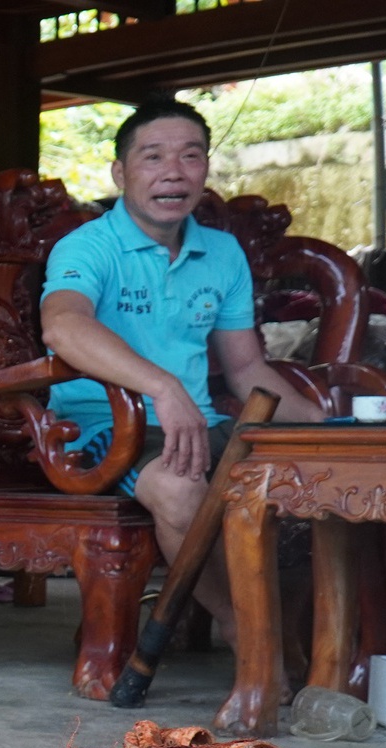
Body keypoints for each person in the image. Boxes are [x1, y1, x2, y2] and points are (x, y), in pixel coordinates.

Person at [40, 95, 324, 641]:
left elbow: (246, 369)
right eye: (153, 157)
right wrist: (162, 387)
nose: (174, 172)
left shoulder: (221, 253)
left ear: (206, 168)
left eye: (190, 156)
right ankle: (253, 644)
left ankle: (323, 640)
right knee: (178, 489)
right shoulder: (89, 247)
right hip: (104, 428)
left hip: (200, 426)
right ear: (120, 172)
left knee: (325, 483)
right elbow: (63, 327)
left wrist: (328, 429)